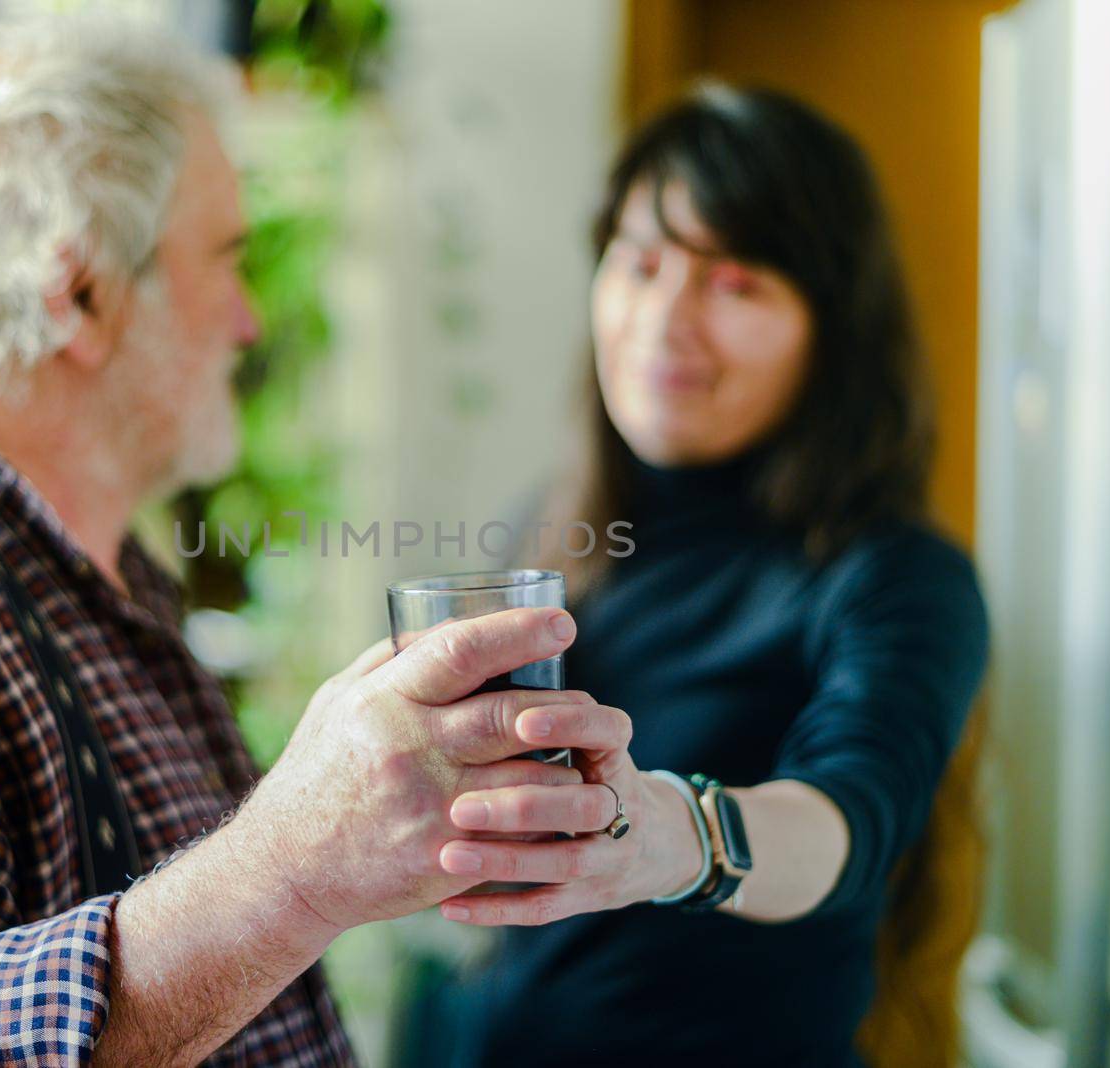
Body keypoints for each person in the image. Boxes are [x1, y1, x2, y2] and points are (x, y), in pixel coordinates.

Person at [0, 14, 640, 1066]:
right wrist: (292, 868)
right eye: (225, 259)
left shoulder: (93, 574)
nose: (250, 321)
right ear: (80, 293)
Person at [404, 84, 990, 1066]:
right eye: (638, 265)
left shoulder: (894, 577)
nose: (663, 319)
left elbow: (843, 824)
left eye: (733, 283)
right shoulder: (554, 529)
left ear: (831, 324)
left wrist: (676, 840)